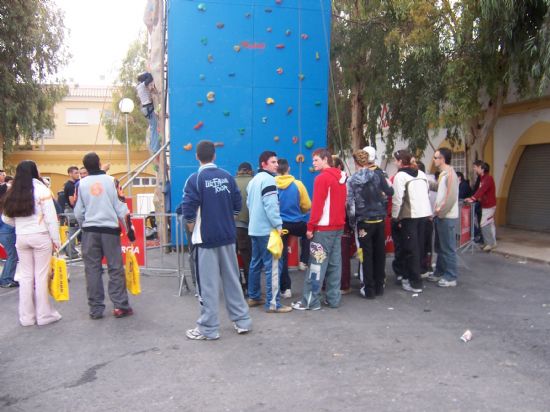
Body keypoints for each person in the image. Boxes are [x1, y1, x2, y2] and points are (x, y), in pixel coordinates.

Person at [182, 141, 252, 340]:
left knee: (208, 285)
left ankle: (208, 328)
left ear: (197, 156)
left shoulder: (195, 179)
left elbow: (188, 207)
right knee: (233, 280)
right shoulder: (227, 177)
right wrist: (228, 220)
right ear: (214, 156)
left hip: (206, 239)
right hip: (228, 237)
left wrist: (190, 225)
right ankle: (242, 321)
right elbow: (238, 203)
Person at [74, 152, 135, 320]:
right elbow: (121, 207)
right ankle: (120, 306)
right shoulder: (112, 181)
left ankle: (96, 309)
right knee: (115, 268)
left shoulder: (81, 184)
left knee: (92, 269)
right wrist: (129, 231)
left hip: (90, 231)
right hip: (110, 230)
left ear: (85, 167)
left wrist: (83, 226)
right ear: (99, 163)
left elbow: (78, 211)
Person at [1, 160, 62, 326]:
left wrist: (20, 226)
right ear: (35, 171)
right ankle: (44, 315)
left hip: (21, 237)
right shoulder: (42, 190)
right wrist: (56, 240)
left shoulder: (12, 192)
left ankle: (27, 317)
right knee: (41, 276)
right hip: (41, 236)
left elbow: (6, 218)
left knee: (25, 277)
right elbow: (51, 218)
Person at [292, 148, 347, 311]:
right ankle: (333, 298)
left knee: (316, 265)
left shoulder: (321, 179)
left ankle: (310, 301)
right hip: (338, 228)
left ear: (325, 159)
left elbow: (317, 206)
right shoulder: (342, 177)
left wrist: (310, 227)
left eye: (316, 160)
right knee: (335, 264)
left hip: (322, 230)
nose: (313, 163)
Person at [247, 151, 292, 313]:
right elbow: (271, 206)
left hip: (254, 229)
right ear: (263, 164)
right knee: (273, 266)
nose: (276, 165)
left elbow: (248, 203)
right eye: (273, 162)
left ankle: (253, 296)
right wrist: (279, 225)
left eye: (276, 162)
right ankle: (273, 303)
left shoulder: (253, 181)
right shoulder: (269, 181)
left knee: (255, 263)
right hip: (267, 231)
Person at [347, 149, 394, 298]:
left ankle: (369, 289)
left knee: (365, 255)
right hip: (379, 218)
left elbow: (350, 204)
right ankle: (379, 286)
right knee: (380, 253)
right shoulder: (378, 175)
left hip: (363, 221)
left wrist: (352, 221)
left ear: (356, 163)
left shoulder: (352, 180)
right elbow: (390, 191)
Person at [391, 150, 432, 294]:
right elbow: (426, 191)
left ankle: (413, 281)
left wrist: (395, 217)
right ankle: (415, 277)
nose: (394, 163)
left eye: (395, 160)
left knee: (410, 249)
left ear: (401, 162)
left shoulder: (400, 176)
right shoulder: (421, 174)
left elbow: (397, 199)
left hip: (409, 216)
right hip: (423, 215)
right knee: (418, 248)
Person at [275, 158, 311, 298]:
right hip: (297, 223)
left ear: (277, 169)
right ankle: (304, 260)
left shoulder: (272, 184)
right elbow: (307, 205)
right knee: (309, 233)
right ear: (288, 168)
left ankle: (286, 289)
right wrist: (301, 211)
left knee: (282, 258)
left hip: (280, 225)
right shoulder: (298, 184)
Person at [427, 148, 459, 287]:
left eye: (436, 157)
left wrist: (441, 212)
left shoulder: (450, 174)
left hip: (446, 217)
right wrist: (426, 183)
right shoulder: (443, 174)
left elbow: (451, 198)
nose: (434, 160)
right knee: (440, 247)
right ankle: (440, 271)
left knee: (448, 248)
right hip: (441, 216)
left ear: (442, 159)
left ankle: (451, 276)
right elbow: (440, 189)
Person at [465, 161, 497, 251]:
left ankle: (489, 244)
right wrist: (474, 197)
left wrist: (473, 198)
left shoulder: (488, 178)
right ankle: (492, 243)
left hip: (489, 205)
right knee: (490, 224)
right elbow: (480, 190)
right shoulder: (482, 178)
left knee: (484, 223)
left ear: (481, 169)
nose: (474, 169)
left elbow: (482, 190)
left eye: (475, 167)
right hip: (487, 205)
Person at [235, 162, 254, 295]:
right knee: (248, 257)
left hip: (232, 226)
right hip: (249, 226)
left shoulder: (231, 181)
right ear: (250, 171)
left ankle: (237, 287)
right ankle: (250, 287)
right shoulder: (254, 182)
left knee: (232, 258)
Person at [0, 177, 18, 288]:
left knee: (11, 255)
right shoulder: (7, 203)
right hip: (7, 231)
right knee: (12, 255)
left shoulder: (3, 203)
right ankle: (6, 279)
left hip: (4, 232)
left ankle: (5, 278)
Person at [63, 166, 81, 259]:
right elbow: (71, 201)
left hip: (71, 210)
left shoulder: (73, 184)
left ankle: (69, 251)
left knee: (73, 232)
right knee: (73, 232)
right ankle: (71, 253)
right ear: (70, 174)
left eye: (78, 173)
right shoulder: (70, 185)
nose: (78, 175)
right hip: (72, 211)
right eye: (75, 173)